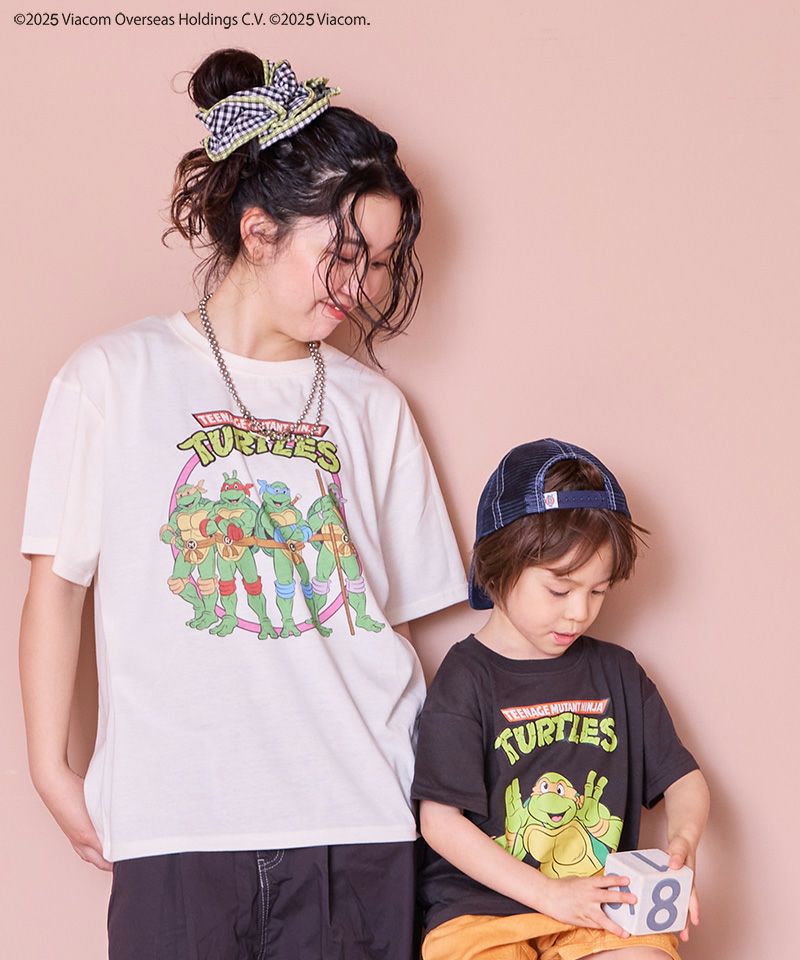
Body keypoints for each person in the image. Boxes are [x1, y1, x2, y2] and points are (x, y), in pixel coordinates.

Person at [18, 48, 467, 960]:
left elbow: (409, 623)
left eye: (380, 264)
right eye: (342, 256)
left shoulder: (373, 406)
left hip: (360, 816)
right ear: (260, 232)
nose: (361, 288)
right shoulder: (112, 378)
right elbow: (56, 588)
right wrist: (47, 768)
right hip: (178, 816)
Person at [411, 438, 710, 960]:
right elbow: (439, 821)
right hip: (482, 917)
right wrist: (548, 894)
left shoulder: (617, 672)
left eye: (598, 592)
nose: (579, 613)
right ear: (498, 567)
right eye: (559, 590)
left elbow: (685, 781)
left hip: (599, 909)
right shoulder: (466, 677)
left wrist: (682, 844)